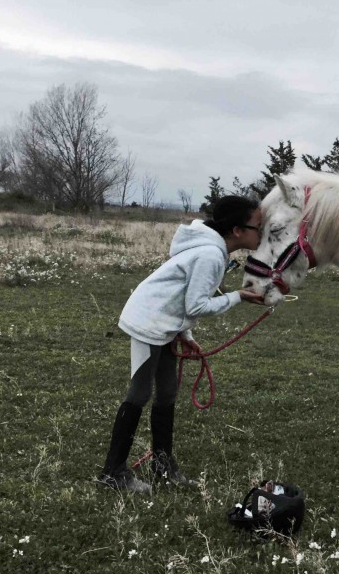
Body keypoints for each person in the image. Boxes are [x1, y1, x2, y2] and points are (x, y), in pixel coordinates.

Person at [98, 196, 266, 493]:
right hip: (149, 322)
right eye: (257, 227)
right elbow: (196, 305)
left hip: (164, 324)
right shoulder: (210, 255)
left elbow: (182, 297)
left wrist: (186, 337)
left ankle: (162, 466)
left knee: (167, 392)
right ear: (238, 230)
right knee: (140, 392)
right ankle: (113, 472)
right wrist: (238, 296)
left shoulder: (213, 251)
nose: (261, 233)